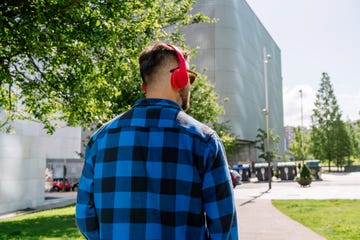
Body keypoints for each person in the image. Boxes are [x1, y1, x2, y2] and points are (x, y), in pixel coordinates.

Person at [76, 41, 238, 240]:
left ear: (145, 85)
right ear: (179, 78)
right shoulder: (204, 141)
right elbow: (223, 226)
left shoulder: (100, 140)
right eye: (190, 77)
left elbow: (85, 216)